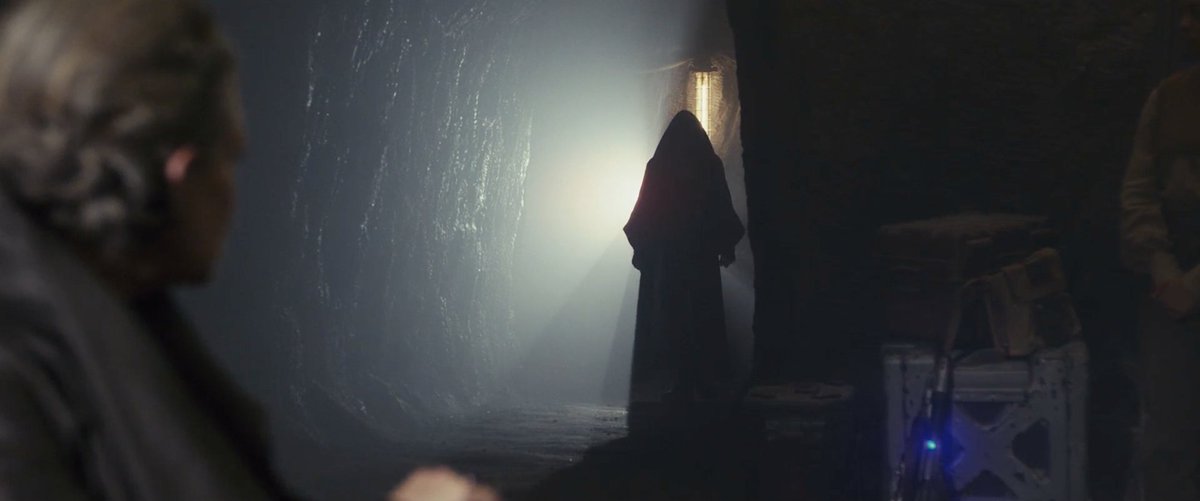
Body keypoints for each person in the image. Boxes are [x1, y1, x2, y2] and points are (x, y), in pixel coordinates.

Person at [0, 1, 497, 500]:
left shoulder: (107, 323)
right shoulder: (20, 383)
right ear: (181, 173)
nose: (235, 192)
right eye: (231, 158)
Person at [1120, 1, 1200, 498]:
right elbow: (1139, 192)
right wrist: (1163, 269)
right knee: (1168, 444)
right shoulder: (1168, 98)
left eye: (1197, 13)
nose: (1186, 25)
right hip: (1174, 299)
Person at [624, 110, 744, 403]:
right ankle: (702, 379)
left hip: (670, 257)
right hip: (701, 256)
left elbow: (645, 212)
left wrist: (646, 249)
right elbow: (721, 206)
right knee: (702, 314)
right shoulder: (708, 165)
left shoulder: (659, 166)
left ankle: (681, 380)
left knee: (674, 315)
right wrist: (725, 244)